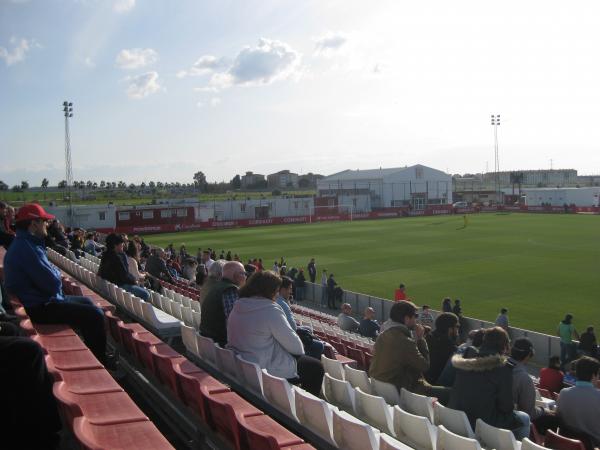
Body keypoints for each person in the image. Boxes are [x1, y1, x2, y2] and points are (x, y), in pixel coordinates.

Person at [3, 203, 108, 364]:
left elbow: (51, 278)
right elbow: (52, 284)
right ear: (33, 224)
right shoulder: (27, 248)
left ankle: (94, 351)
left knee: (87, 302)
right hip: (40, 307)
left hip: (40, 300)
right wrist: (55, 275)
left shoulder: (26, 244)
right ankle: (100, 361)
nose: (46, 224)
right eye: (43, 221)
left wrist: (54, 275)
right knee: (95, 315)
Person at [227, 271, 324, 396]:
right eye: (276, 290)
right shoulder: (270, 309)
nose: (277, 294)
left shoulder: (239, 304)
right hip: (262, 367)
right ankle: (306, 409)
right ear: (270, 290)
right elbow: (297, 348)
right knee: (315, 368)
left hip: (242, 361)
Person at [450, 326, 530, 440]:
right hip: (483, 423)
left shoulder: (467, 359)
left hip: (458, 417)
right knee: (524, 418)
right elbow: (506, 407)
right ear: (505, 346)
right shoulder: (503, 368)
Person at [369, 301, 450, 404]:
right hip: (404, 391)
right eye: (415, 316)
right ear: (406, 319)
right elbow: (425, 366)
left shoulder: (383, 335)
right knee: (452, 393)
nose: (416, 319)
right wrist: (421, 339)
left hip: (383, 389)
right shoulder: (404, 341)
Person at [509, 338, 555, 429]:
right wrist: (543, 410)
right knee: (553, 418)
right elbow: (529, 413)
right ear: (528, 355)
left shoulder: (499, 366)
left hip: (496, 419)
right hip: (511, 423)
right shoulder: (524, 378)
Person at [200, 261, 247, 346]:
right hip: (220, 342)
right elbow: (236, 323)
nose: (245, 277)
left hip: (208, 339)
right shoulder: (230, 290)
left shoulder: (216, 286)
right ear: (235, 276)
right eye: (243, 273)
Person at [556, 356, 600, 447]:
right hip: (592, 445)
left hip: (565, 443)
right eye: (598, 374)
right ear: (593, 375)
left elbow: (558, 418)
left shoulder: (563, 393)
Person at [98, 233, 149, 301]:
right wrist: (135, 281)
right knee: (146, 294)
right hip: (119, 286)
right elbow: (124, 276)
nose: (123, 245)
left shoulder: (106, 254)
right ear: (115, 245)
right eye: (122, 243)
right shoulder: (117, 257)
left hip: (112, 286)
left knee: (140, 286)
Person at [425, 312, 459, 384]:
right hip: (435, 388)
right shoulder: (451, 348)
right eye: (457, 326)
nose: (457, 330)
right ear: (450, 329)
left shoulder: (426, 339)